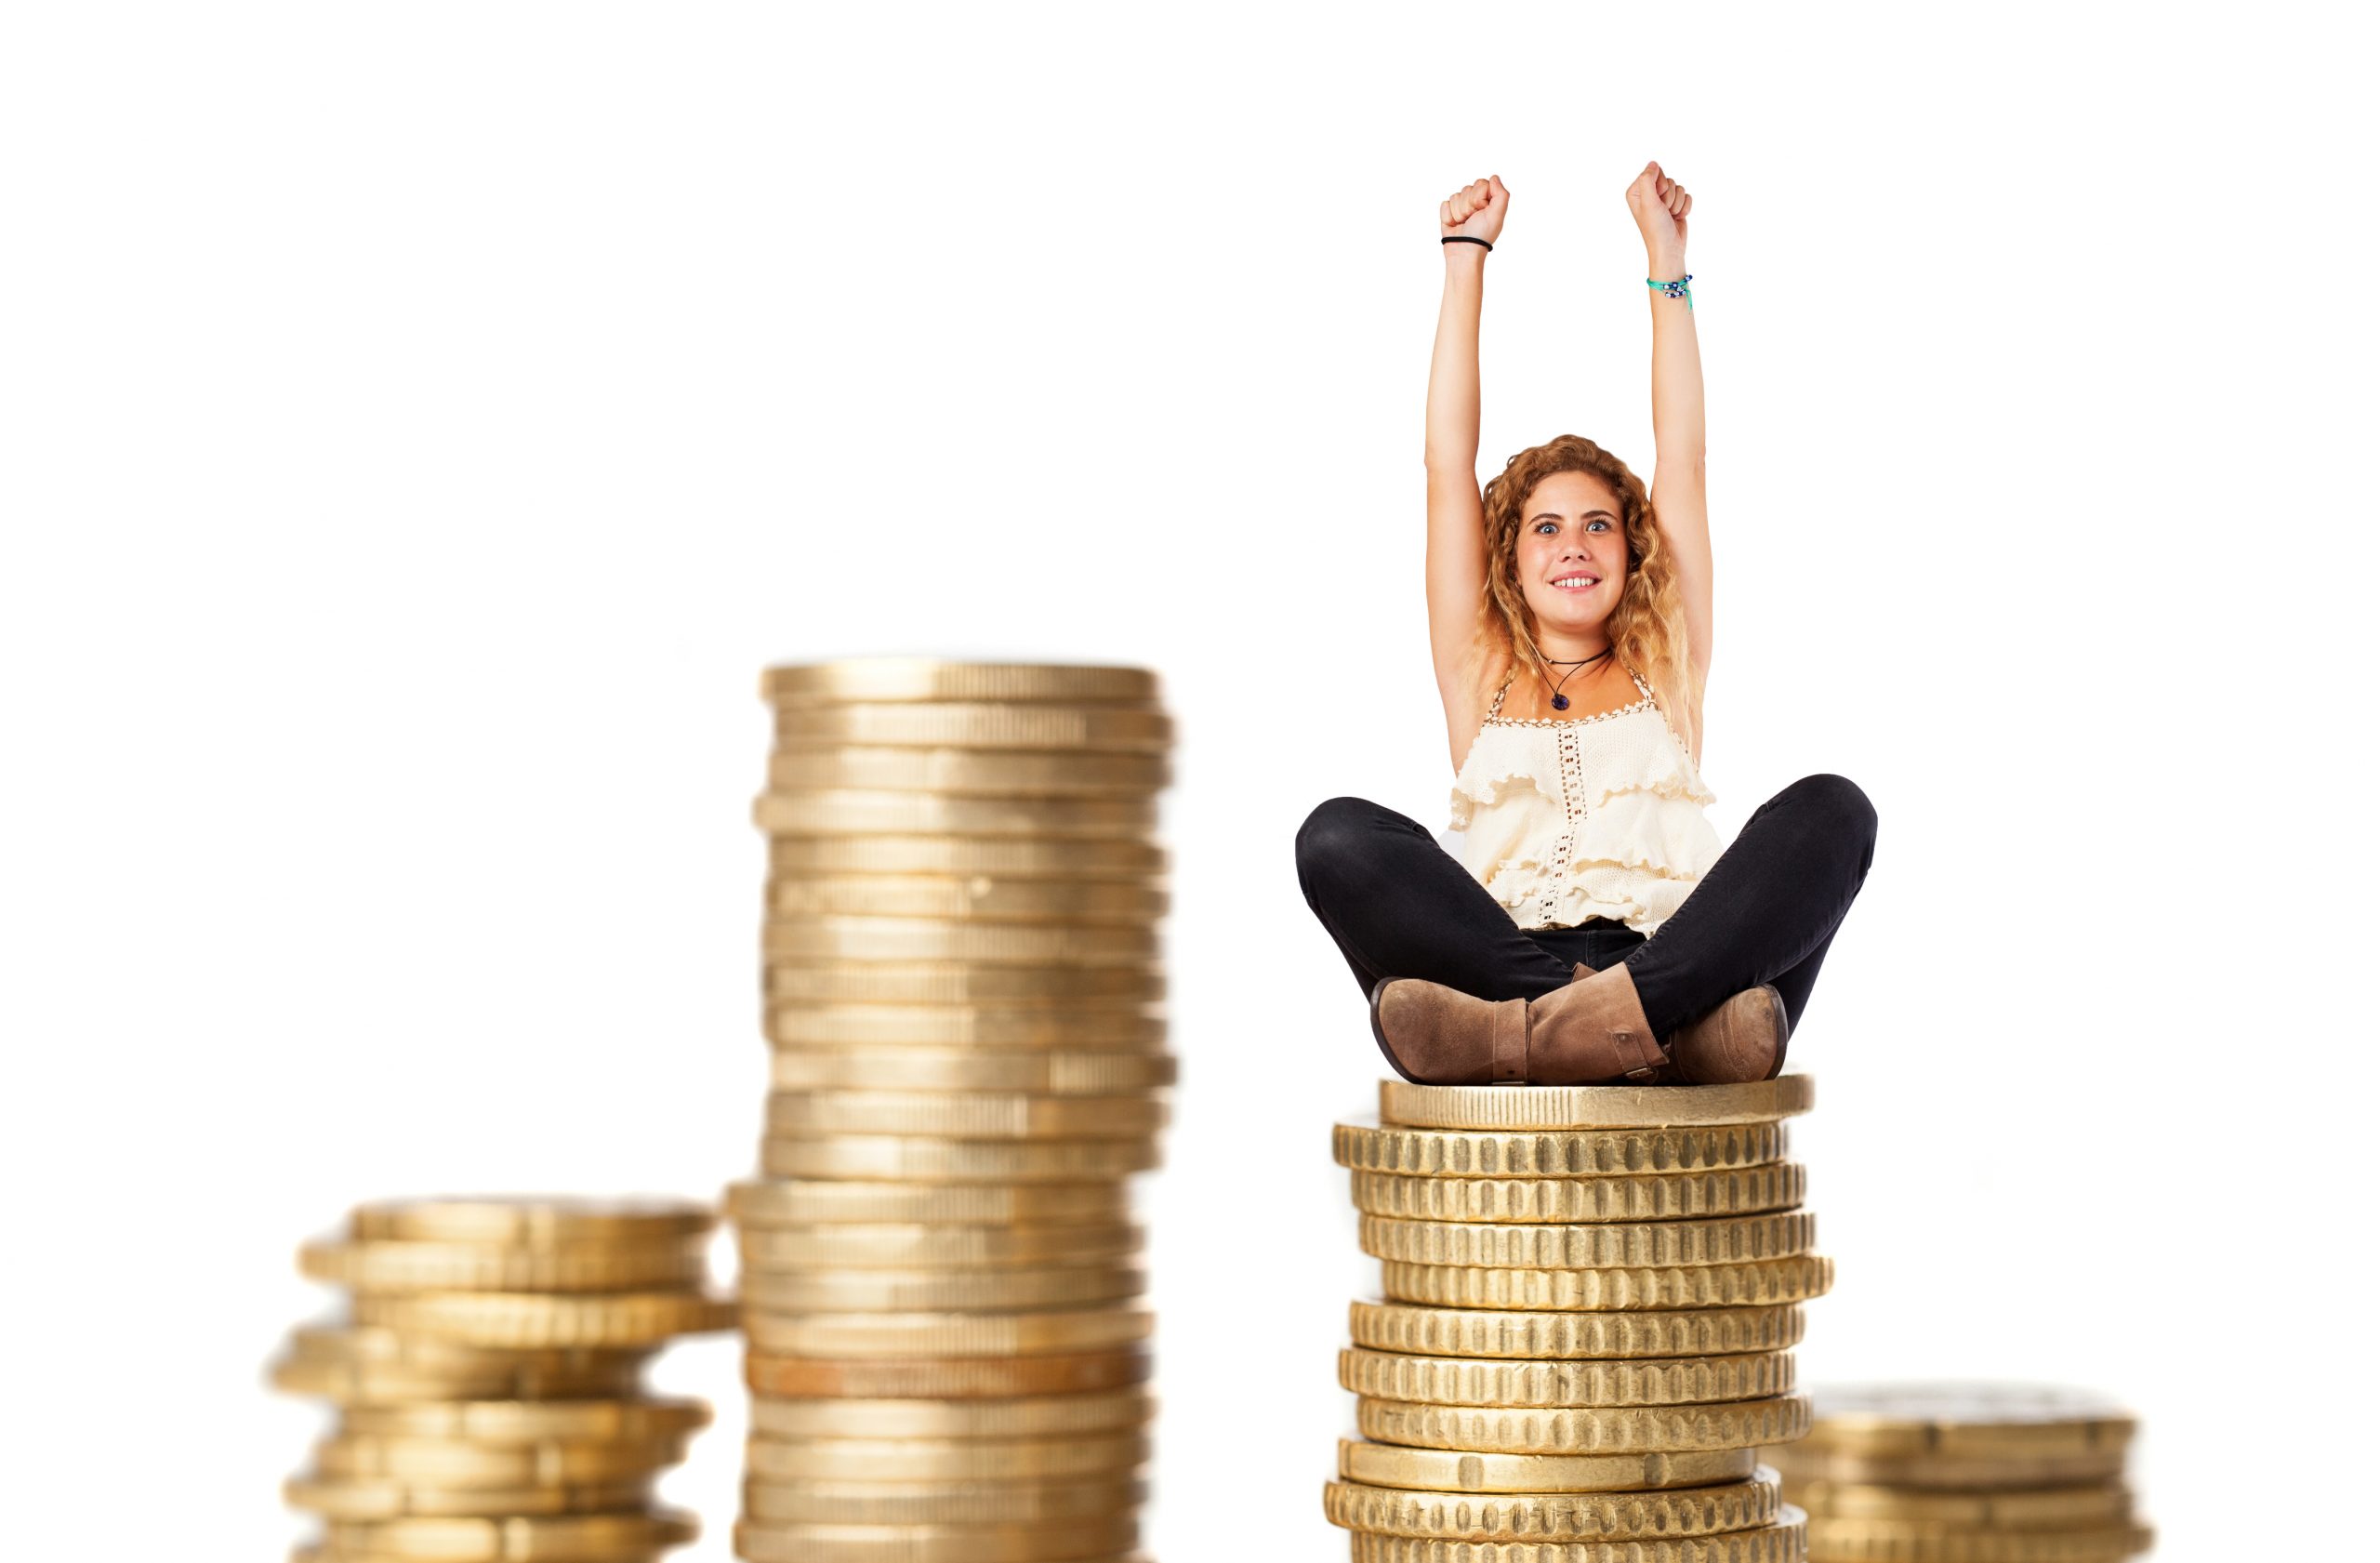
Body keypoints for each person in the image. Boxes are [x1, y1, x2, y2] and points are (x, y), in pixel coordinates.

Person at [1294, 164, 1878, 1089]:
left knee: (1834, 810)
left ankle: (1548, 1039)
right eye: (1548, 527)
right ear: (1511, 558)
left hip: (1686, 959)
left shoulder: (1663, 659)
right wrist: (1463, 264)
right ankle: (1657, 1042)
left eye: (1599, 523)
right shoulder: (1478, 669)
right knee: (1333, 838)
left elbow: (1680, 453)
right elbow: (1447, 463)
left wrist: (1666, 259)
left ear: (1630, 550)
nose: (1575, 545)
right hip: (1503, 962)